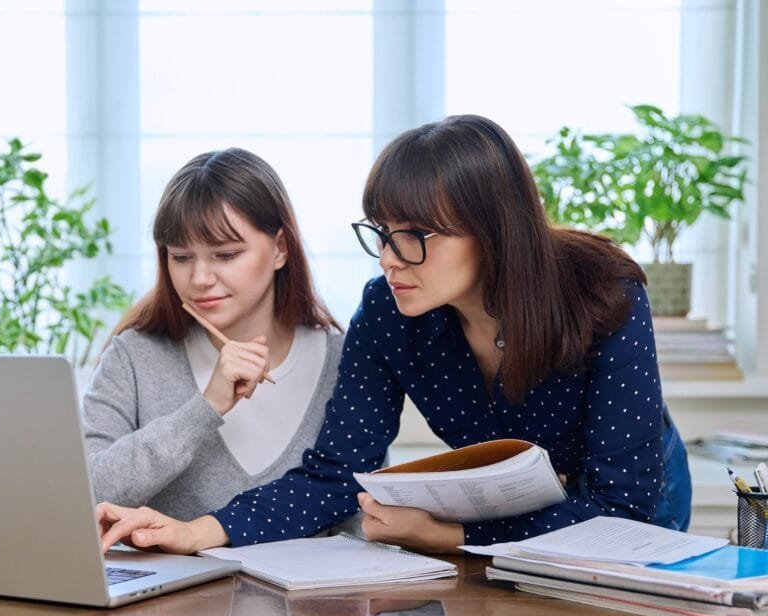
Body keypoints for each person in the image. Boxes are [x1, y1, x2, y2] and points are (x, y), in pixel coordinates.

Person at [97, 115, 692, 555]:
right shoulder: (388, 311)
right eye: (381, 232)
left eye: (411, 236)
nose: (388, 257)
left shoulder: (604, 294)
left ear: (490, 230)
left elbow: (623, 506)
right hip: (505, 516)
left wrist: (450, 535)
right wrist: (197, 531)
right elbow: (334, 474)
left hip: (624, 509)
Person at [84, 147, 343, 524]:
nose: (200, 279)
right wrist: (205, 408)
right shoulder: (134, 356)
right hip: (177, 584)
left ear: (280, 249)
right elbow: (88, 494)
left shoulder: (342, 358)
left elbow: (355, 512)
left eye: (225, 255)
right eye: (182, 257)